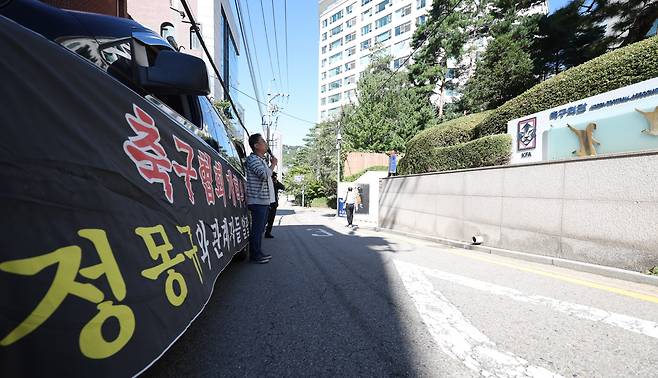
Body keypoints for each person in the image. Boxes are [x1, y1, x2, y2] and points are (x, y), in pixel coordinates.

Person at [245, 134, 277, 264]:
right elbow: (264, 175)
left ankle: (258, 252)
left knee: (260, 229)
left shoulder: (260, 159)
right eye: (263, 141)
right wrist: (273, 165)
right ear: (256, 146)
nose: (266, 143)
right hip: (257, 200)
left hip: (263, 200)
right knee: (257, 229)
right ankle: (255, 255)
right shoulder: (253, 160)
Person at [265, 171, 286, 238]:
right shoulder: (265, 182)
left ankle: (268, 233)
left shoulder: (275, 183)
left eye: (274, 176)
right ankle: (262, 231)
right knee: (265, 219)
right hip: (266, 202)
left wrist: (276, 182)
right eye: (272, 176)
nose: (273, 178)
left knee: (271, 219)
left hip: (274, 203)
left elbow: (283, 187)